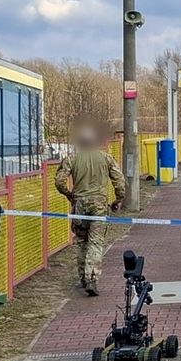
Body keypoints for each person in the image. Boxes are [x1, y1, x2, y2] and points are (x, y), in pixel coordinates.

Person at [54, 127, 126, 296]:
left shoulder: (72, 159)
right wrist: (118, 199)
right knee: (95, 241)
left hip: (80, 205)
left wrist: (69, 194)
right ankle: (92, 277)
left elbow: (59, 181)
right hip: (99, 205)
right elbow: (119, 180)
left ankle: (82, 277)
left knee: (81, 241)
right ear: (95, 142)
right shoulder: (106, 158)